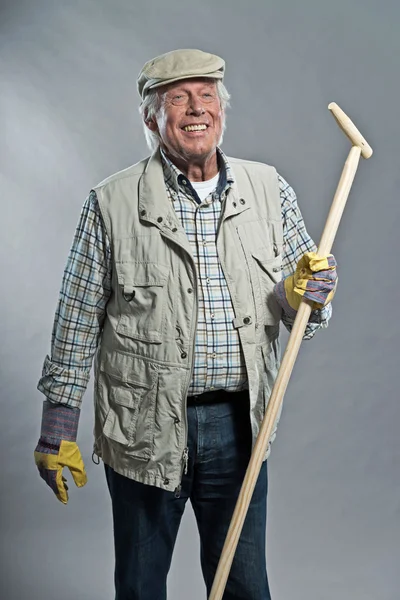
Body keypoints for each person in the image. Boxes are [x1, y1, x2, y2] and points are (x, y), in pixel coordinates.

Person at [34, 49, 337, 599]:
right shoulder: (112, 203)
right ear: (153, 118)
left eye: (208, 95)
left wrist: (301, 295)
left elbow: (310, 312)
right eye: (178, 97)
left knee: (245, 584)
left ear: (222, 110)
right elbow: (76, 319)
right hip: (143, 428)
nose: (197, 108)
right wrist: (57, 424)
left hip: (240, 425)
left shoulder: (270, 190)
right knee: (142, 584)